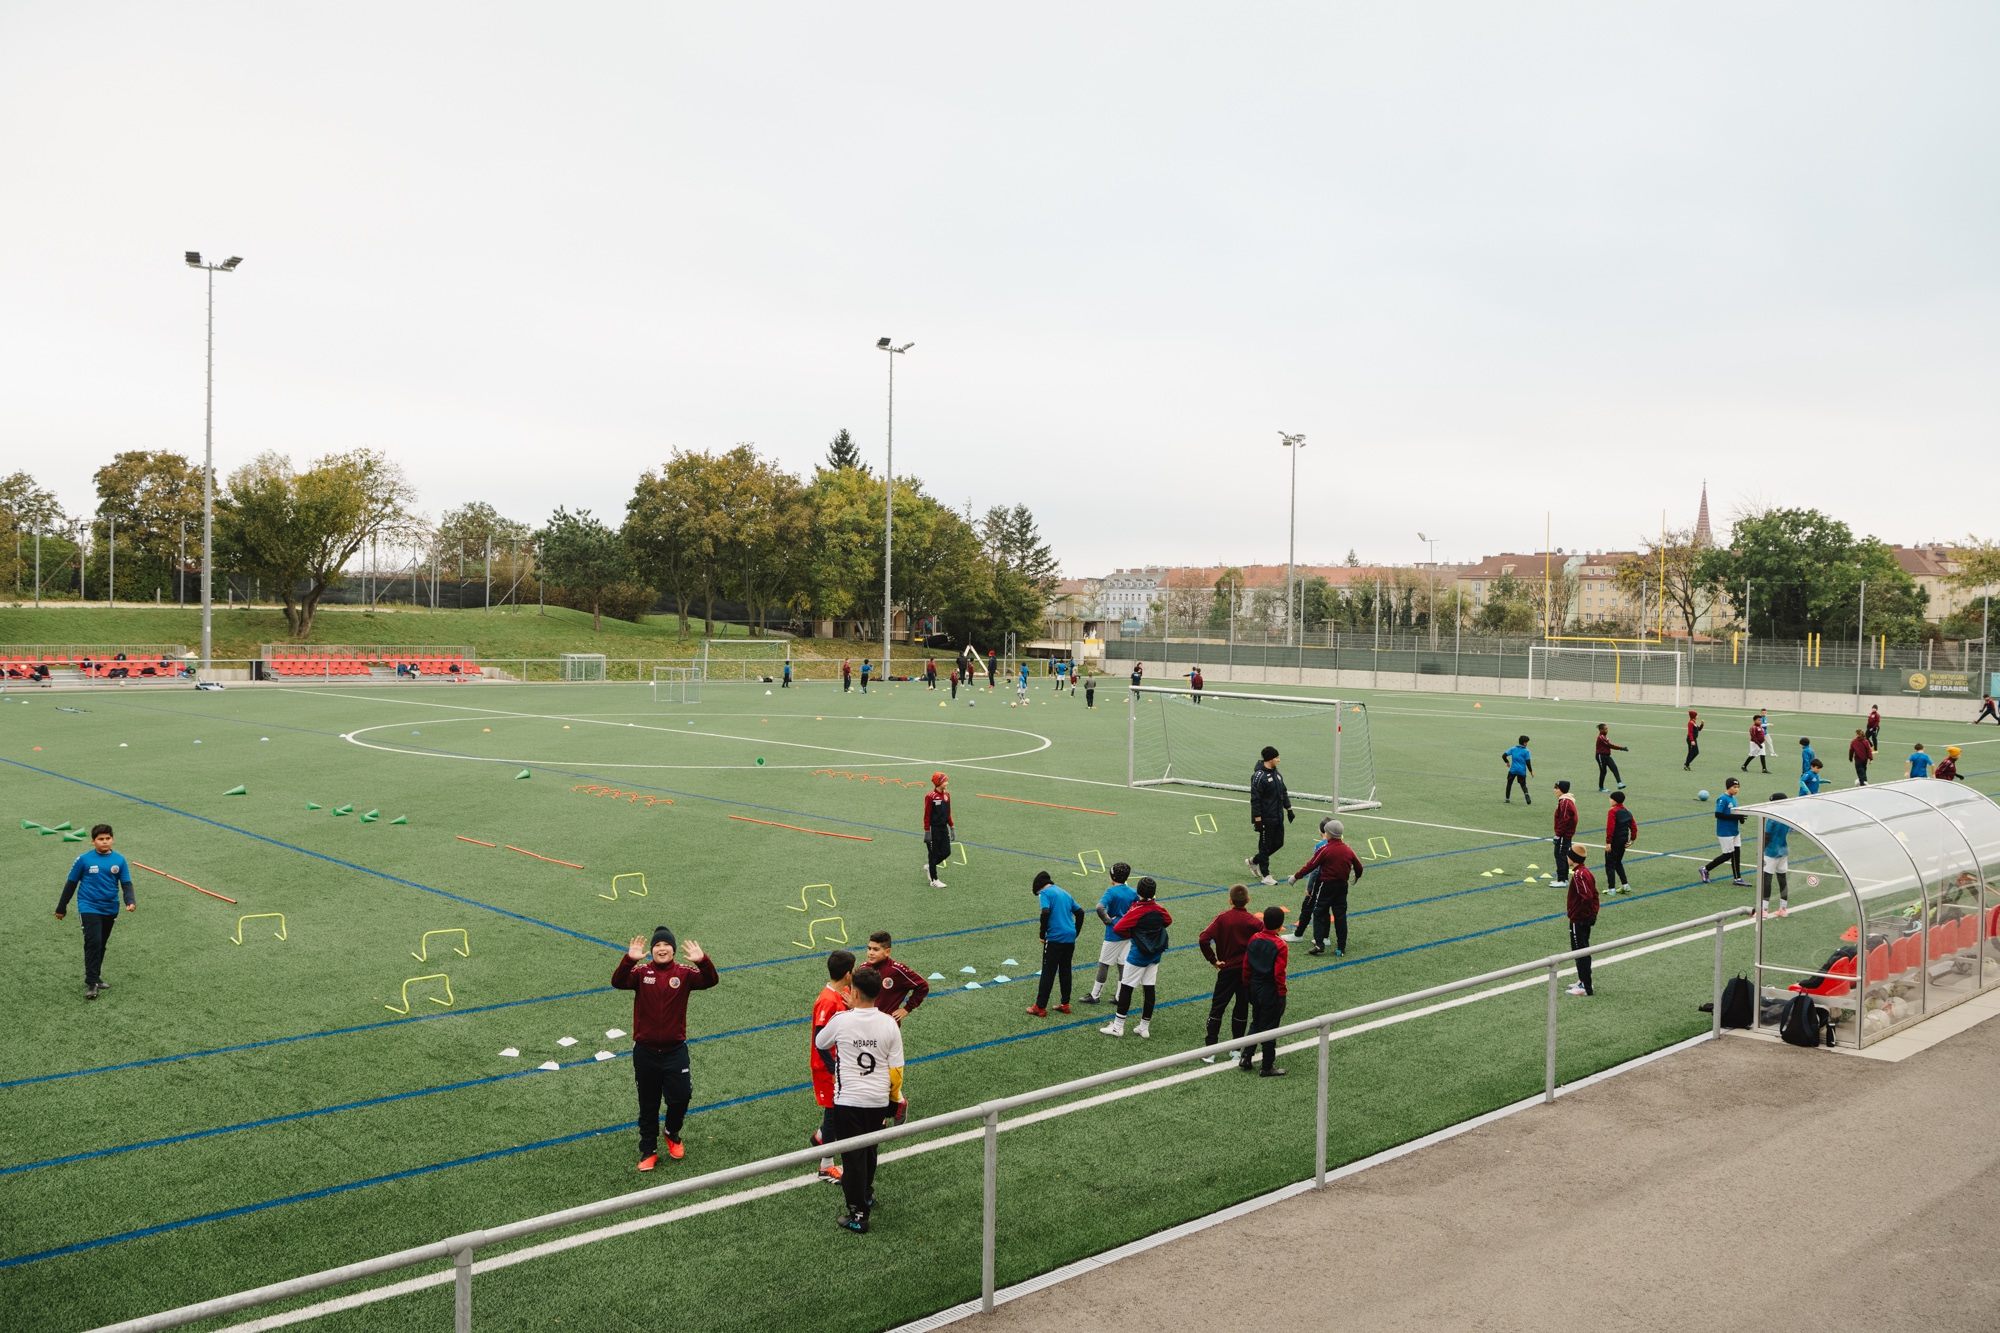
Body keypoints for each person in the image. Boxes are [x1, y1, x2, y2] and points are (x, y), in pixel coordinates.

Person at [612, 926, 718, 1169]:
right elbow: (617, 982)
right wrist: (629, 959)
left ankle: (671, 1131)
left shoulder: (685, 973)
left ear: (673, 949)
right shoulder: (640, 973)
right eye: (657, 945)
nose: (662, 948)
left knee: (681, 1097)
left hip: (675, 1050)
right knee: (648, 1104)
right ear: (651, 951)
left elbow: (711, 980)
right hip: (645, 1051)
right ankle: (648, 1150)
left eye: (666, 945)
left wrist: (703, 961)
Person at [813, 965, 906, 1234]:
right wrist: (893, 1101)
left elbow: (821, 1042)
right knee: (870, 1150)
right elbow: (896, 1070)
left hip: (849, 1100)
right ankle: (867, 1194)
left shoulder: (842, 1020)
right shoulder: (889, 1023)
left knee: (852, 1159)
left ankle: (858, 1214)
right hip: (877, 1100)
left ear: (853, 992)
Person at [54, 823, 135, 999]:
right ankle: (91, 983)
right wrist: (62, 907)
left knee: (101, 944)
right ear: (93, 841)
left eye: (107, 838)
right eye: (100, 839)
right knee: (94, 942)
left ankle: (96, 976)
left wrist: (130, 901)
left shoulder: (119, 860)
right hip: (88, 906)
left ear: (112, 839)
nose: (104, 842)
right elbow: (71, 883)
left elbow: (126, 884)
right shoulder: (83, 860)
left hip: (111, 908)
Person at [1099, 877, 1171, 1039]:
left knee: (1126, 988)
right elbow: (1168, 920)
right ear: (1153, 893)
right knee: (1149, 988)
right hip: (1155, 955)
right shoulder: (1158, 908)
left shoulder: (1137, 910)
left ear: (1138, 892)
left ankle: (1118, 1027)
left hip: (1138, 955)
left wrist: (1134, 934)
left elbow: (1118, 927)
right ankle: (1144, 1027)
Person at [1197, 885, 1261, 1062]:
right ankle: (1236, 1050)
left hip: (1227, 971)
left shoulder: (1222, 918)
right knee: (1241, 1008)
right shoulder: (1255, 922)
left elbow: (1203, 939)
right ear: (1248, 900)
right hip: (1247, 971)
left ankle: (1210, 1050)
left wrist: (1213, 960)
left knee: (1217, 1008)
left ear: (1230, 901)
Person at [809, 949, 857, 1182]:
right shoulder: (827, 1000)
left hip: (840, 1065)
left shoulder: (844, 993)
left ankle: (820, 1138)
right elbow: (820, 1040)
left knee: (837, 1111)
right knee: (834, 1113)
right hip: (827, 1067)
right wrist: (833, 1069)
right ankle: (825, 1166)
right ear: (848, 974)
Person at [1285, 819, 1365, 957]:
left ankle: (1319, 944)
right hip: (1342, 886)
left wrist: (1296, 877)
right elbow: (1359, 866)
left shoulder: (1325, 849)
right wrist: (1356, 876)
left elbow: (1311, 866)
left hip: (1326, 885)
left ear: (1327, 834)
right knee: (1340, 916)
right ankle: (1341, 948)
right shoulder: (1348, 849)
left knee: (1319, 912)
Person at [1025, 871, 1084, 1017]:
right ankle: (1065, 1004)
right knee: (1065, 970)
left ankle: (1040, 1007)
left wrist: (1042, 934)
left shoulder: (1045, 893)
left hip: (1055, 938)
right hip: (1069, 938)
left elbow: (1045, 912)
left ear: (1039, 887)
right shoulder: (1065, 893)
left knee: (1048, 971)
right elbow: (1080, 912)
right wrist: (1075, 932)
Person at [1240, 906, 1289, 1076]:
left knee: (1256, 1022)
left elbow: (1246, 966)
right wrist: (1282, 994)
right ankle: (1267, 1066)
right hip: (1270, 990)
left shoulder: (1254, 938)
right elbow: (1279, 973)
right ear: (1281, 924)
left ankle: (1246, 1055)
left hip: (1254, 986)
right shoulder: (1280, 945)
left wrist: (1247, 985)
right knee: (1270, 1027)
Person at [1083, 862, 1138, 1004]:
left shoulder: (1111, 892)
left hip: (1113, 934)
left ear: (1113, 876)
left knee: (1104, 964)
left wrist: (1107, 920)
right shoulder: (1132, 892)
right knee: (1122, 964)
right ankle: (1120, 997)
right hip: (1127, 934)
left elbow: (1099, 907)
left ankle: (1095, 995)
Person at [1246, 746, 1293, 884]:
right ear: (1270, 759)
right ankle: (1266, 875)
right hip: (1266, 817)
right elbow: (1255, 799)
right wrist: (1258, 819)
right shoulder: (1258, 776)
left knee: (1279, 843)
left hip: (1278, 816)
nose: (1279, 760)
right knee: (1265, 846)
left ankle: (1254, 861)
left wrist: (1289, 809)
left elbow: (1283, 792)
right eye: (1277, 757)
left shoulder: (1277, 774)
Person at [863, 932, 929, 1023]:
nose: (870, 953)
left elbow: (922, 986)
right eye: (869, 948)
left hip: (886, 1025)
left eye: (875, 949)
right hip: (865, 1022)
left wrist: (907, 1008)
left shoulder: (897, 970)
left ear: (887, 952)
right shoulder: (863, 968)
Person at [1562, 847, 1599, 997]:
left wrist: (1585, 916)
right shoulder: (1586, 872)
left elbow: (1588, 897)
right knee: (1582, 950)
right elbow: (1594, 895)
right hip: (1583, 918)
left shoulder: (1579, 875)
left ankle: (1586, 987)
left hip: (1579, 919)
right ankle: (1583, 980)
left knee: (1580, 951)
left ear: (1573, 858)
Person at [1700, 779, 1750, 886]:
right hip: (1725, 832)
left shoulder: (1734, 798)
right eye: (1734, 787)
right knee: (1727, 855)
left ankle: (1738, 878)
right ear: (1728, 787)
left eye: (1738, 788)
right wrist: (1735, 817)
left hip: (1735, 831)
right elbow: (1718, 814)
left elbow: (1734, 812)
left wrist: (1739, 818)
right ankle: (1705, 869)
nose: (1736, 790)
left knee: (1736, 854)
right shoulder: (1722, 799)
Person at [1759, 794, 1792, 919]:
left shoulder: (1771, 818)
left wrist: (1761, 849)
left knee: (1767, 880)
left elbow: (1767, 835)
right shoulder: (1786, 816)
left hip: (1771, 852)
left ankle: (1764, 910)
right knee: (1782, 879)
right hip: (1783, 850)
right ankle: (1783, 909)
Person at [921, 773, 953, 888]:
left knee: (946, 852)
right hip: (933, 829)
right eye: (945, 781)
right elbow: (927, 815)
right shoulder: (930, 796)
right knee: (933, 854)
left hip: (943, 828)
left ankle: (930, 866)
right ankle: (934, 880)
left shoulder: (947, 795)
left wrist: (952, 826)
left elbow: (948, 813)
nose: (947, 783)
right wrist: (927, 832)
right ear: (939, 782)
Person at [1603, 791, 1636, 895]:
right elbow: (1634, 827)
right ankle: (1625, 884)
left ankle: (1611, 889)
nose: (1609, 800)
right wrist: (1631, 840)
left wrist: (1608, 842)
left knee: (1610, 864)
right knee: (1618, 862)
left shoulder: (1613, 811)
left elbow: (1610, 827)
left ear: (1614, 800)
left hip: (1614, 840)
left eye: (1611, 798)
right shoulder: (1627, 811)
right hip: (1624, 840)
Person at [1550, 781, 1578, 887]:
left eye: (1557, 788)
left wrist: (1558, 834)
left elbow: (1564, 819)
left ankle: (1561, 880)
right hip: (1565, 834)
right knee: (1563, 855)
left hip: (1564, 834)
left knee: (1560, 855)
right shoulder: (1565, 801)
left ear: (1562, 789)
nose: (1555, 790)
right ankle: (1564, 879)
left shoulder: (1565, 802)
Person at [1501, 735, 1534, 804]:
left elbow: (1504, 755)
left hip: (1513, 770)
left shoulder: (1513, 749)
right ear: (1524, 743)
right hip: (1521, 771)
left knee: (1509, 783)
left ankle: (1507, 799)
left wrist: (1507, 762)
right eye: (1527, 742)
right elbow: (1528, 763)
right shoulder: (1526, 751)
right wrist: (1531, 771)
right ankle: (1526, 794)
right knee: (1523, 785)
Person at [1594, 723, 1627, 792]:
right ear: (1601, 730)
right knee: (1603, 771)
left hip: (1607, 756)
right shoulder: (1601, 737)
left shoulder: (1605, 737)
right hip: (1600, 756)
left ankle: (1619, 783)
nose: (1607, 730)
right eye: (1605, 729)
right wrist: (1621, 748)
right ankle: (1601, 787)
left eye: (1607, 729)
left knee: (1614, 767)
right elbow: (1609, 745)